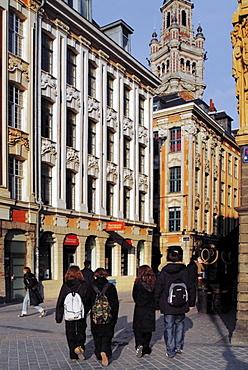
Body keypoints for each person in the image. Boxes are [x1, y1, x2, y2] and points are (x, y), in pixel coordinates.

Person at [154, 246, 196, 358]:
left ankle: (170, 350)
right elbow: (191, 287)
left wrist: (156, 304)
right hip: (181, 303)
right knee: (180, 325)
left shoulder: (163, 272)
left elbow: (158, 289)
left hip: (167, 304)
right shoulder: (185, 271)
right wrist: (192, 302)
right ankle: (179, 347)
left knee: (168, 326)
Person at [55, 265, 91, 362]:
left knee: (70, 333)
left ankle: (73, 355)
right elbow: (88, 299)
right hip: (80, 313)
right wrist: (85, 310)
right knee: (81, 331)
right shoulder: (84, 284)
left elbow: (60, 300)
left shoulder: (66, 285)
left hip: (69, 314)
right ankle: (80, 346)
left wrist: (58, 316)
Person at [89, 267, 119, 367]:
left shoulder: (92, 287)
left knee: (96, 335)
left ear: (96, 275)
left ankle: (98, 353)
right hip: (108, 316)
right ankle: (105, 351)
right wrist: (114, 316)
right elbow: (115, 303)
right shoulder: (110, 287)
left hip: (95, 316)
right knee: (107, 335)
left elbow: (88, 302)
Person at [132, 265, 156, 358]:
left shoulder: (138, 282)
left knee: (138, 329)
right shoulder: (153, 282)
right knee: (148, 330)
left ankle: (139, 345)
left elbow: (134, 295)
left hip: (140, 308)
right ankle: (146, 347)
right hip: (150, 309)